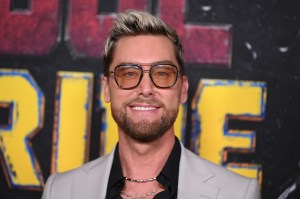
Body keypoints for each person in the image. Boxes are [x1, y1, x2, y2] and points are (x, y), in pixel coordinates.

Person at [42, 9, 261, 199]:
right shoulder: (60, 191)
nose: (146, 89)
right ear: (107, 88)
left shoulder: (237, 193)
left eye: (162, 73)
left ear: (183, 89)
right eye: (128, 73)